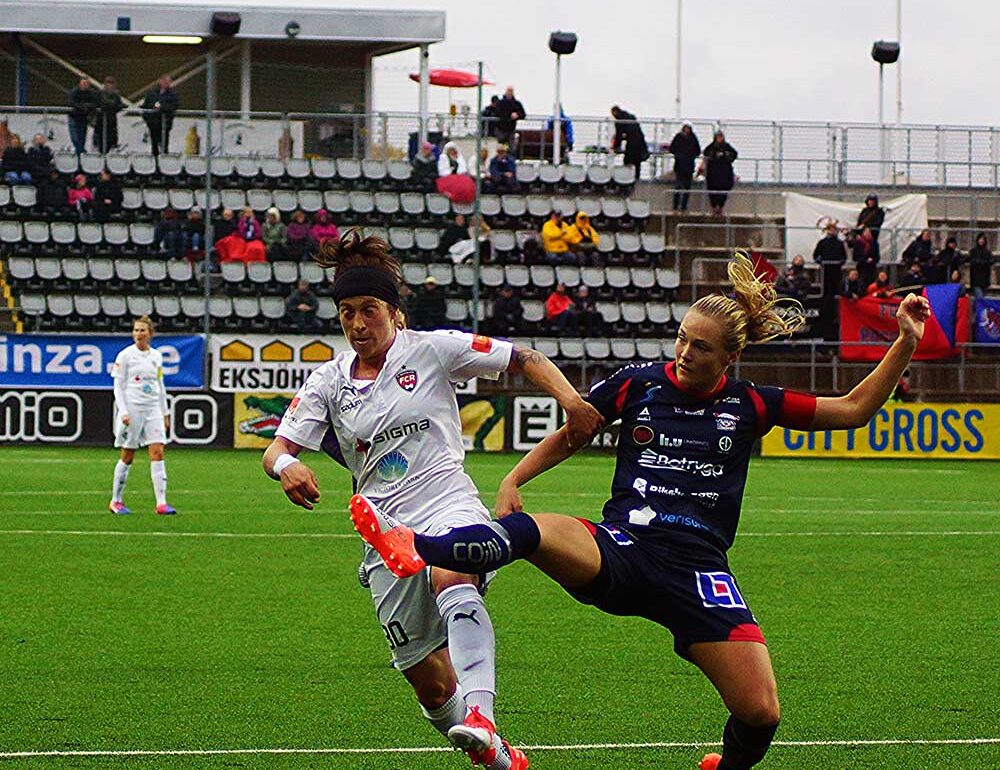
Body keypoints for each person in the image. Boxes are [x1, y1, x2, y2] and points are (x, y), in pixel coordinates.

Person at [348, 252, 932, 770]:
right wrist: (515, 477)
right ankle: (415, 546)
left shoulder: (752, 402)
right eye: (681, 338)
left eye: (700, 347)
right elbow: (576, 429)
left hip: (699, 571)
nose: (682, 354)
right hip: (622, 548)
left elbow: (853, 408)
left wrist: (904, 340)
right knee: (533, 530)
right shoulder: (639, 383)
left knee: (760, 713)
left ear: (729, 356)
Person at [263, 230, 602, 770]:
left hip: (447, 502)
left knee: (453, 575)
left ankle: (483, 715)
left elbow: (526, 358)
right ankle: (495, 754)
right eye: (346, 312)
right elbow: (276, 449)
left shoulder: (432, 349)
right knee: (427, 679)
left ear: (393, 312)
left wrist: (572, 402)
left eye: (368, 309)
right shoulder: (327, 381)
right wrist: (288, 465)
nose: (356, 323)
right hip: (382, 530)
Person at [109, 316, 177, 516]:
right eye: (136, 330)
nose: (138, 334)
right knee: (128, 454)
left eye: (142, 330)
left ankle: (161, 503)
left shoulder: (156, 356)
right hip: (133, 407)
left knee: (158, 451)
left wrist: (164, 412)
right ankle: (116, 500)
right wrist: (123, 411)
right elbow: (118, 386)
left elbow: (160, 386)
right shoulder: (125, 356)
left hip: (152, 408)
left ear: (150, 334)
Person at [701, 131, 738, 215]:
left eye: (720, 137)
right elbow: (706, 154)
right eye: (717, 137)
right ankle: (714, 207)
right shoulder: (711, 147)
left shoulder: (727, 146)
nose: (719, 139)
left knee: (724, 190)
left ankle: (720, 207)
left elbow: (734, 154)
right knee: (712, 191)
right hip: (713, 173)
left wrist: (726, 155)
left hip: (725, 173)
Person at [142, 75, 179, 156]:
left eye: (168, 82)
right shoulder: (151, 92)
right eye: (164, 81)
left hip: (165, 123)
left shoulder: (173, 94)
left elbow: (174, 106)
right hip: (153, 123)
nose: (166, 83)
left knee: (164, 145)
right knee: (154, 144)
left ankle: (163, 162)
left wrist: (161, 107)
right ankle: (154, 162)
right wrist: (147, 119)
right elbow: (145, 106)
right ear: (160, 81)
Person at [668, 122, 701, 212]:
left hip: (689, 166)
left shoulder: (693, 138)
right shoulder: (678, 137)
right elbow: (672, 149)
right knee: (678, 186)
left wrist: (690, 156)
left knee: (687, 187)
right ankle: (675, 206)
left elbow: (697, 151)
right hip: (680, 166)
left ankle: (683, 206)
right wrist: (679, 156)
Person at [610, 105, 649, 178]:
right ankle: (636, 178)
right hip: (640, 142)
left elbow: (619, 134)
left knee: (627, 161)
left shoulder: (619, 120)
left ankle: (627, 178)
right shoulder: (631, 117)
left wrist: (616, 146)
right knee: (637, 162)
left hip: (631, 143)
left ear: (615, 112)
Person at [812, 222, 848, 297]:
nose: (832, 232)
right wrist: (820, 261)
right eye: (830, 230)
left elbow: (844, 256)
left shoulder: (839, 243)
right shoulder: (822, 242)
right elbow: (815, 255)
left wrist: (841, 262)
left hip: (836, 269)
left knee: (836, 288)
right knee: (826, 289)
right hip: (825, 269)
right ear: (827, 231)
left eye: (834, 230)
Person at [94, 76, 125, 154]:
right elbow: (99, 104)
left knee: (111, 139)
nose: (110, 86)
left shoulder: (116, 94)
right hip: (101, 121)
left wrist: (112, 107)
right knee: (101, 139)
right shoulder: (99, 93)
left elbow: (120, 105)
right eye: (108, 83)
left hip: (111, 121)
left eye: (111, 84)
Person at [68, 78, 99, 155]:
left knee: (82, 138)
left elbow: (95, 103)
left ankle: (80, 154)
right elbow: (71, 102)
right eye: (83, 83)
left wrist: (87, 106)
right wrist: (82, 107)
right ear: (80, 84)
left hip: (84, 118)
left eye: (86, 84)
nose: (84, 85)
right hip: (73, 117)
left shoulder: (91, 93)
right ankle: (80, 151)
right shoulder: (74, 91)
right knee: (74, 137)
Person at [856, 194, 885, 264]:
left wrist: (867, 227)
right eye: (870, 200)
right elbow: (859, 221)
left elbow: (878, 222)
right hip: (861, 235)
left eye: (873, 201)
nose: (871, 202)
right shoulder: (864, 211)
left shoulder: (879, 212)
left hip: (873, 234)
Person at [967, 233, 995, 300]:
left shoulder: (987, 252)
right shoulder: (973, 251)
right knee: (980, 298)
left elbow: (992, 260)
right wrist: (983, 262)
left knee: (980, 298)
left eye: (983, 239)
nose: (981, 241)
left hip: (984, 280)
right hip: (976, 280)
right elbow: (971, 260)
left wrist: (983, 262)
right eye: (980, 239)